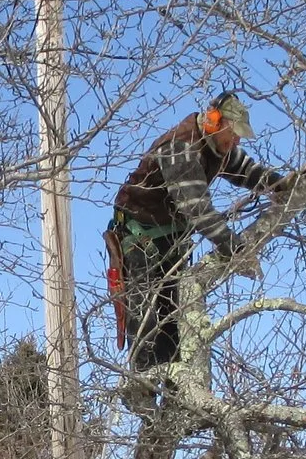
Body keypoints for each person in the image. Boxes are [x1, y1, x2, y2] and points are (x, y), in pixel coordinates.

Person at [104, 92, 290, 374]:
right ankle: (142, 393)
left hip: (171, 239)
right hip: (140, 240)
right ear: (215, 122)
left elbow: (247, 171)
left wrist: (281, 185)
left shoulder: (219, 146)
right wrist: (236, 249)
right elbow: (197, 209)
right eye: (234, 134)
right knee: (148, 326)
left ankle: (174, 397)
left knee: (175, 329)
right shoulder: (181, 147)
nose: (236, 142)